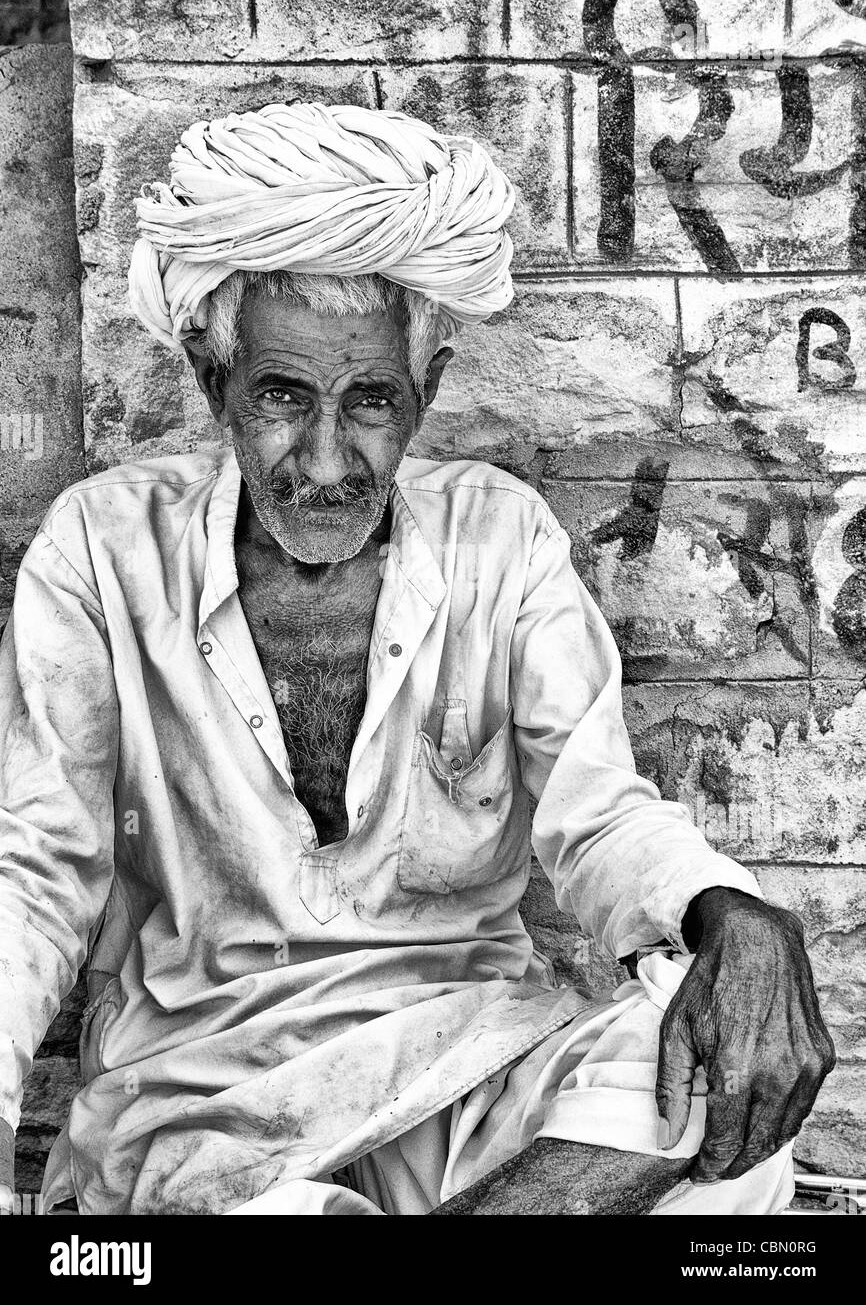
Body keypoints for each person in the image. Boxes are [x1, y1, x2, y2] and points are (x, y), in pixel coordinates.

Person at [0, 103, 833, 1215]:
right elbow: (36, 875)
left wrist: (731, 913)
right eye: (284, 398)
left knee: (719, 1119)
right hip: (206, 1100)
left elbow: (596, 812)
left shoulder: (501, 537)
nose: (330, 459)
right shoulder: (101, 548)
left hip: (466, 1061)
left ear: (423, 394)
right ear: (217, 389)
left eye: (372, 403)